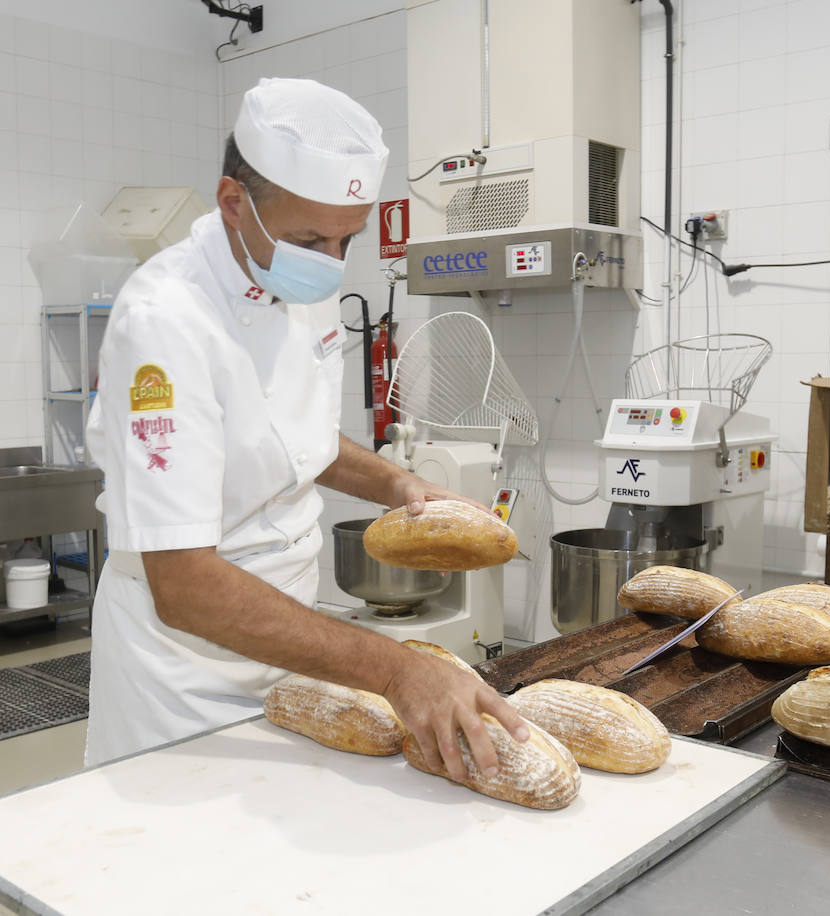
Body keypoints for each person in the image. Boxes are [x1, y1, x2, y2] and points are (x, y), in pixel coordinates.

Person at [84, 77, 527, 778]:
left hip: (294, 644)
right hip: (185, 671)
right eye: (309, 237)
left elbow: (297, 439)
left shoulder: (299, 279)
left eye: (345, 238)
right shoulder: (165, 323)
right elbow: (184, 583)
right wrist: (394, 671)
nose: (329, 259)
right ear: (234, 202)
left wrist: (399, 483)